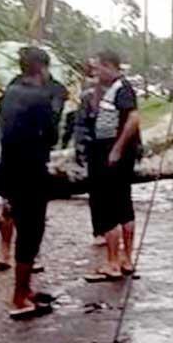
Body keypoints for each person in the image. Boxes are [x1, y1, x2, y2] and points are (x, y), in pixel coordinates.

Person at [0, 47, 59, 319]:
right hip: (31, 169)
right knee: (31, 232)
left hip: (8, 167)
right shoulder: (42, 98)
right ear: (41, 68)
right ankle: (20, 297)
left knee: (23, 228)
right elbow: (52, 136)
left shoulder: (9, 92)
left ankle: (25, 290)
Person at [84, 49, 141, 282]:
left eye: (98, 68)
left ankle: (113, 262)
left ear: (109, 66)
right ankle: (126, 259)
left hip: (111, 154)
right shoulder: (114, 89)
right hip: (113, 153)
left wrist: (116, 149)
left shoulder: (121, 88)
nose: (96, 73)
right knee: (123, 204)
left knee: (110, 208)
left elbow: (133, 118)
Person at [73, 58, 106, 246]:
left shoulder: (118, 91)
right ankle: (100, 229)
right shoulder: (87, 94)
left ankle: (110, 228)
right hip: (94, 147)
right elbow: (81, 123)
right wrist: (80, 146)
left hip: (113, 147)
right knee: (97, 192)